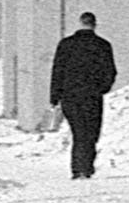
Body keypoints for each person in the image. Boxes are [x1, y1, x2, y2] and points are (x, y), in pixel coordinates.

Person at [49, 10, 118, 179]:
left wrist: (55, 96)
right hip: (92, 96)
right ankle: (85, 167)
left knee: (78, 131)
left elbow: (57, 71)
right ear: (94, 25)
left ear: (80, 23)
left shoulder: (66, 44)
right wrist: (102, 88)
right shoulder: (103, 45)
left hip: (70, 96)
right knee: (91, 131)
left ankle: (78, 168)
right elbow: (110, 72)